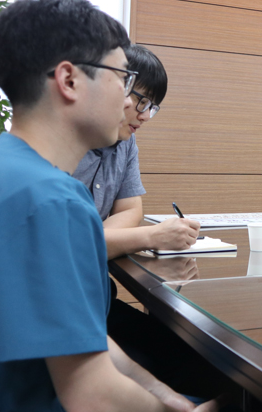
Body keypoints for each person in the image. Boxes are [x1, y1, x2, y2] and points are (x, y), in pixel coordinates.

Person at [0, 0, 262, 412]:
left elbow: (85, 343)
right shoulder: (48, 200)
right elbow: (92, 398)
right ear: (69, 80)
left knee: (212, 410)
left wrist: (168, 399)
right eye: (123, 77)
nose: (131, 98)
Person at [73, 43, 199, 260]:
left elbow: (130, 210)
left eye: (152, 107)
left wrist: (96, 241)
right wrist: (152, 236)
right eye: (143, 102)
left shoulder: (126, 141)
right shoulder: (60, 141)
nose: (146, 116)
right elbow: (60, 242)